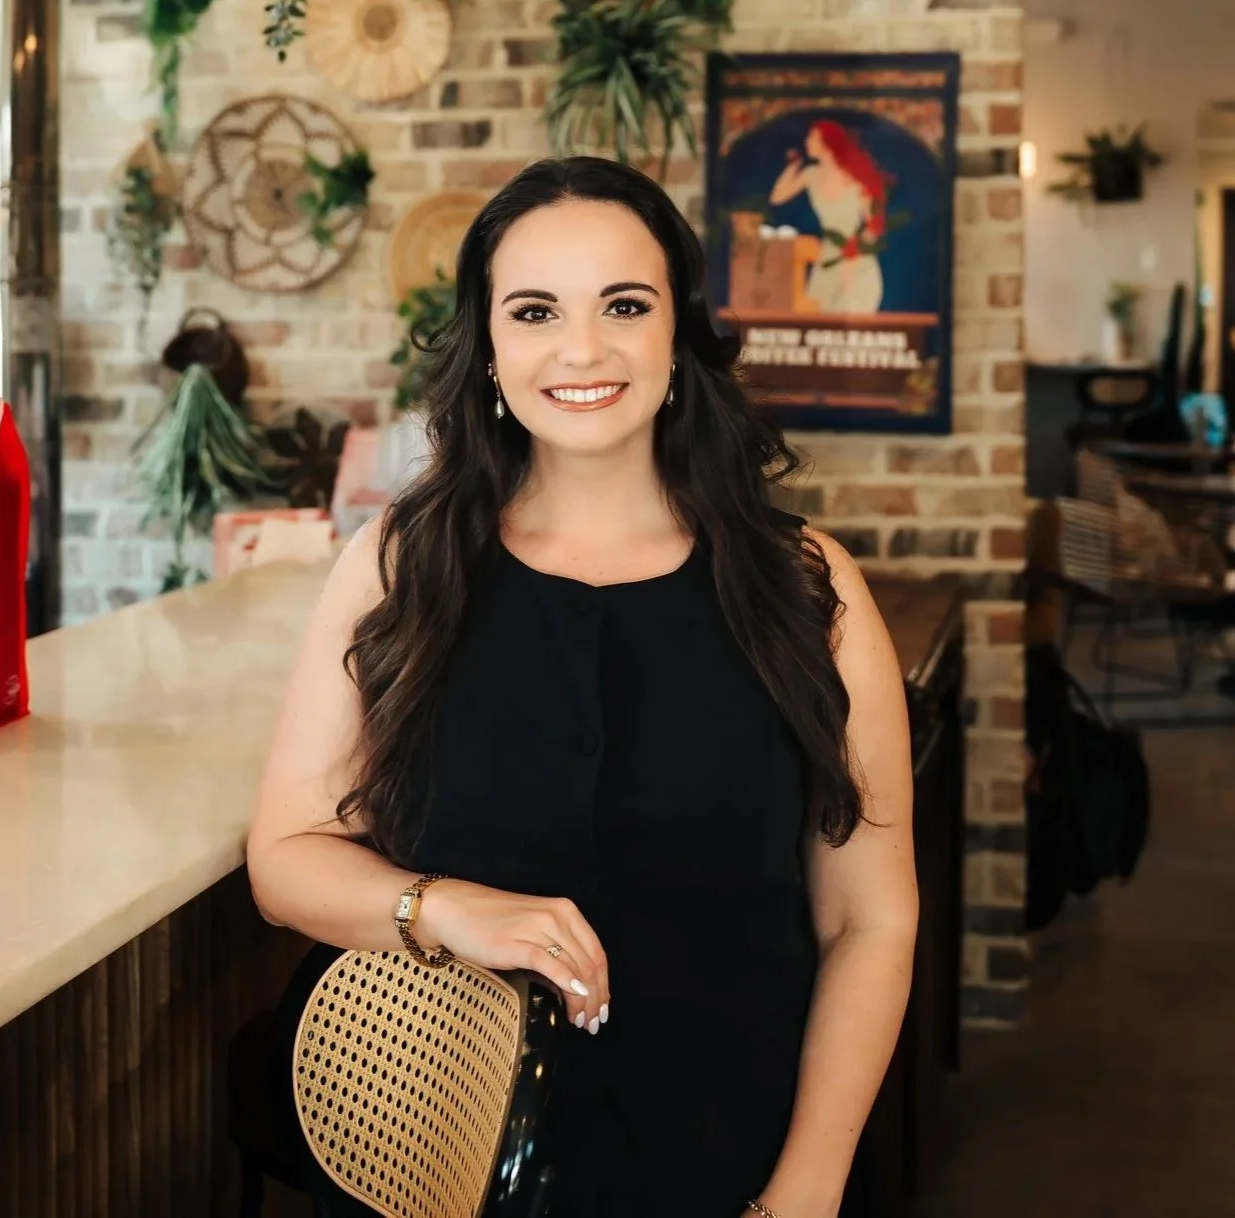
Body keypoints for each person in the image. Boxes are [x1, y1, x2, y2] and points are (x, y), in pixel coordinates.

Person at [247, 155, 917, 1218]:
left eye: (623, 304)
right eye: (535, 310)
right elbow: (284, 858)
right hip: (439, 1161)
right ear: (491, 350)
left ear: (677, 336)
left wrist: (806, 1185)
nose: (582, 347)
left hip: (730, 1154)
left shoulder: (809, 588)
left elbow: (868, 922)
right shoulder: (401, 564)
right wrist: (440, 906)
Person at [768, 122, 891, 315]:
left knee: (853, 316)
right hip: (829, 256)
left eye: (812, 138)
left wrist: (854, 256)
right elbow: (777, 197)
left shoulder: (855, 176)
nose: (807, 142)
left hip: (856, 257)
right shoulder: (811, 175)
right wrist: (794, 165)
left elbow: (874, 226)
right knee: (821, 316)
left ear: (827, 142)